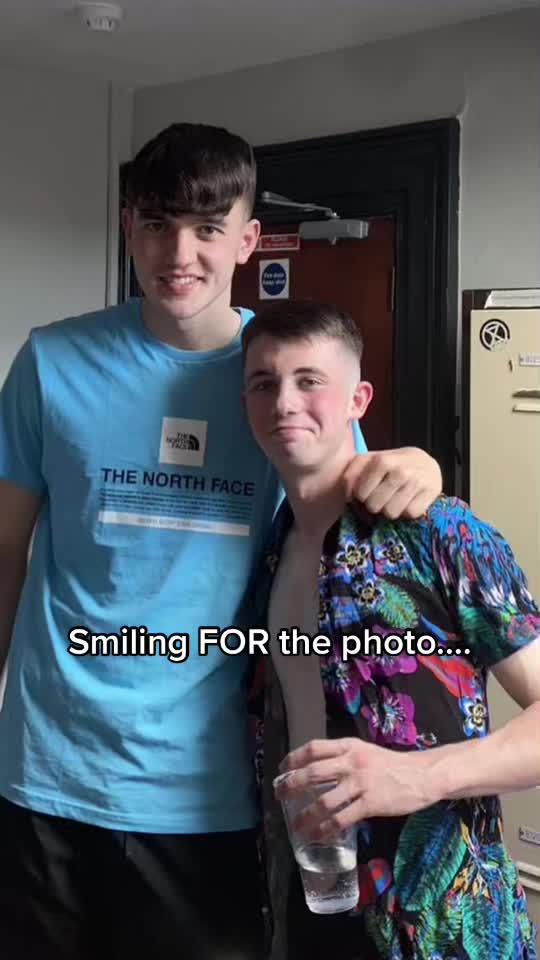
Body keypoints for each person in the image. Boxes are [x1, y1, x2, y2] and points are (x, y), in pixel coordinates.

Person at [0, 123, 441, 960]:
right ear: (128, 228)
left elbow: (355, 491)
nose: (180, 253)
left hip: (208, 791)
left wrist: (419, 462)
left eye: (208, 228)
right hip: (46, 776)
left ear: (246, 239)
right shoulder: (51, 363)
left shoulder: (276, 374)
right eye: (157, 223)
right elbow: (4, 547)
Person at [241, 299, 540, 960]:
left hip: (444, 924)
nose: (284, 402)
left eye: (309, 380)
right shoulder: (270, 552)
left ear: (359, 400)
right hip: (310, 903)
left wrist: (419, 776)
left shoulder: (440, 531)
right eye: (264, 383)